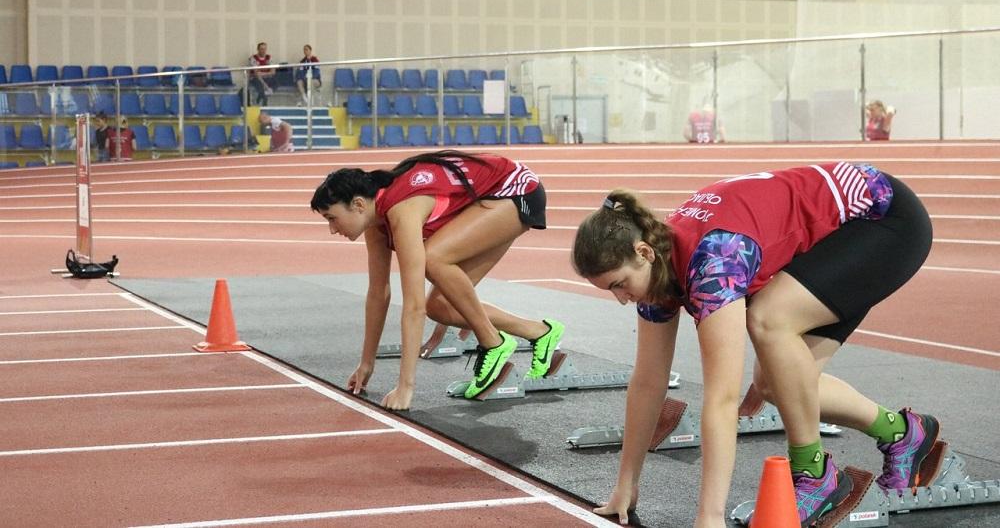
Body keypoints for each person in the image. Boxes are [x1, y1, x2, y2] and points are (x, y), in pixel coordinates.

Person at [571, 162, 937, 527]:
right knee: (774, 383)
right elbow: (649, 381)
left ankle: (813, 474)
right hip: (837, 234)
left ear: (644, 253)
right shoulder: (656, 268)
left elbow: (723, 399)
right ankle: (902, 433)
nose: (621, 299)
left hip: (884, 219)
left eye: (620, 284)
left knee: (768, 319)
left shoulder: (715, 263)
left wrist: (709, 517)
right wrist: (626, 483)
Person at [309, 150, 565, 410]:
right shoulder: (375, 221)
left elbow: (413, 306)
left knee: (431, 259)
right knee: (440, 307)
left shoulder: (402, 210)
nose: (332, 229)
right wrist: (366, 363)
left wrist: (405, 387)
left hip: (516, 191)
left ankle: (492, 342)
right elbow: (378, 293)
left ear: (358, 205)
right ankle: (540, 333)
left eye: (332, 218)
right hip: (491, 197)